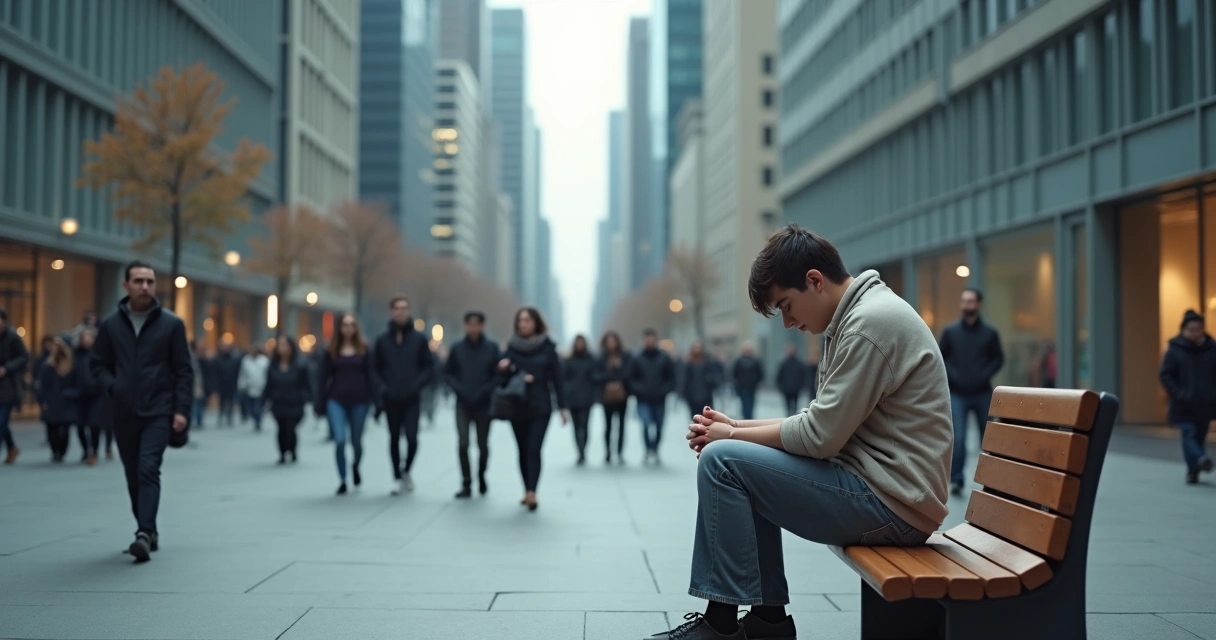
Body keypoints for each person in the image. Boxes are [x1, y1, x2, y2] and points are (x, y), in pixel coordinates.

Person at [647, 225, 951, 640]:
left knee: (724, 463)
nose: (788, 322)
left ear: (814, 280)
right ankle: (767, 622)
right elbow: (818, 419)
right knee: (736, 463)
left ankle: (721, 627)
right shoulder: (858, 317)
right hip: (886, 493)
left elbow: (819, 437)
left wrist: (729, 438)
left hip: (892, 507)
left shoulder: (868, 325)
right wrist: (734, 426)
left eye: (787, 306)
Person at [91, 260, 193, 562]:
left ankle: (144, 533)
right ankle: (148, 530)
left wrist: (181, 410)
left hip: (159, 410)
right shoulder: (110, 326)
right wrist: (113, 387)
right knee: (133, 473)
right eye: (138, 281)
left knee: (149, 467)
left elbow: (184, 371)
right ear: (126, 286)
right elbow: (97, 365)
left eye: (149, 281)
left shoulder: (171, 324)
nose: (145, 286)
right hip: (123, 411)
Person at [497, 307, 568, 512]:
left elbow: (557, 378)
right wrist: (503, 369)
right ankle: (526, 488)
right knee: (522, 449)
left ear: (536, 322)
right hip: (516, 405)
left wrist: (563, 407)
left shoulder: (547, 347)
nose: (523, 324)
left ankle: (532, 492)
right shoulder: (511, 347)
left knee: (534, 449)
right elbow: (501, 378)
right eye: (520, 320)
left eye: (527, 320)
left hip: (540, 405)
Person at [938, 287, 1004, 496]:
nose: (967, 305)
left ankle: (994, 481)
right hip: (958, 394)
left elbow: (998, 359)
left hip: (983, 393)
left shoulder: (990, 333)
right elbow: (941, 358)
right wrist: (954, 376)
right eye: (964, 301)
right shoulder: (950, 332)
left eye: (971, 301)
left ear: (979, 304)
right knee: (958, 438)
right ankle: (956, 479)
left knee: (990, 439)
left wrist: (983, 374)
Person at [372, 297, 434, 495]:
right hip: (391, 398)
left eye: (404, 308)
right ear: (391, 311)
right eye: (397, 308)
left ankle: (406, 469)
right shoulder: (382, 340)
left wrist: (417, 386)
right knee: (393, 439)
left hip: (412, 398)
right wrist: (383, 388)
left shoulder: (419, 339)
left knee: (412, 438)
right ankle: (396, 477)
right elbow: (375, 368)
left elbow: (428, 367)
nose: (401, 312)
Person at [443, 311, 501, 498]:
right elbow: (448, 373)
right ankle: (466, 482)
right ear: (465, 325)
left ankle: (482, 474)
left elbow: (498, 375)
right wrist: (459, 389)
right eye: (470, 324)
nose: (473, 328)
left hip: (484, 403)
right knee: (463, 443)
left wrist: (486, 390)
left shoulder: (492, 348)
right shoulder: (457, 348)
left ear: (482, 326)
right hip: (463, 403)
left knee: (483, 445)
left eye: (477, 324)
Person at [316, 312, 375, 495]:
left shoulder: (365, 349)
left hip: (360, 401)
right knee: (340, 440)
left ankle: (355, 466)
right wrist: (319, 402)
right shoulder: (330, 350)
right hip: (336, 400)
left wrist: (376, 400)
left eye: (351, 324)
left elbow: (371, 376)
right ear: (339, 327)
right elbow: (322, 377)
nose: (348, 328)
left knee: (356, 441)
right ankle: (342, 478)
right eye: (344, 324)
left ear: (356, 327)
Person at [1159, 309, 1216, 485]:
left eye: (1198, 329)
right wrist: (1179, 393)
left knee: (1199, 436)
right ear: (1184, 330)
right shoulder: (1175, 349)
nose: (1195, 333)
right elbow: (1165, 375)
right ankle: (1200, 458)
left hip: (1205, 403)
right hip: (1183, 403)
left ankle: (1193, 471)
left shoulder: (1211, 349)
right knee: (1188, 433)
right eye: (1191, 329)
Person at [630, 329, 676, 465]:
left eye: (651, 338)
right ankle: (648, 448)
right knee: (645, 424)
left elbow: (672, 377)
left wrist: (665, 390)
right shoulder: (637, 358)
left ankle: (655, 449)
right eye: (647, 338)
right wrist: (638, 390)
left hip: (660, 399)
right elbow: (631, 378)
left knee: (659, 426)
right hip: (643, 399)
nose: (649, 340)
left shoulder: (664, 357)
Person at [265, 336, 312, 464]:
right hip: (279, 403)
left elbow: (307, 384)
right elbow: (268, 385)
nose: (282, 348)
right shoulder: (273, 366)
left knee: (290, 428)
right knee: (281, 428)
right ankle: (282, 452)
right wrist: (264, 400)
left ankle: (292, 450)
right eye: (280, 345)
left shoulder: (300, 365)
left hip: (295, 403)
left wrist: (311, 399)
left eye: (285, 345)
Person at [73, 329, 111, 465]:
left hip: (97, 395)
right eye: (84, 337)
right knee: (80, 426)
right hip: (81, 395)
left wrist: (101, 385)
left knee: (95, 425)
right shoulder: (76, 355)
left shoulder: (100, 354)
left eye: (89, 337)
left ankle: (94, 452)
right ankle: (85, 450)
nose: (86, 340)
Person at [39, 337, 78, 463]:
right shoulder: (47, 365)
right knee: (51, 428)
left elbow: (76, 384)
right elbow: (42, 385)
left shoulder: (71, 365)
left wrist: (71, 394)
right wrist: (42, 400)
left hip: (66, 400)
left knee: (64, 428)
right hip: (51, 400)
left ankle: (61, 451)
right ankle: (55, 451)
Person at [595, 331, 631, 465]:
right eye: (608, 341)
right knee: (608, 426)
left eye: (613, 341)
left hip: (622, 396)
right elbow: (595, 375)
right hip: (607, 397)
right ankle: (608, 452)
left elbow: (629, 372)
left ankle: (620, 452)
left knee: (621, 425)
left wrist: (619, 371)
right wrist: (608, 376)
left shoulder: (624, 356)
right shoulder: (601, 358)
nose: (611, 344)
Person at [679, 342, 721, 452]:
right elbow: (684, 379)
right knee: (695, 417)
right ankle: (698, 436)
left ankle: (705, 436)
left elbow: (714, 376)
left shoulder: (707, 362)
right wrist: (683, 393)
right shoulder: (688, 363)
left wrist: (712, 383)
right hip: (692, 395)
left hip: (705, 395)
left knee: (706, 417)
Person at [563, 335, 598, 466]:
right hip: (573, 398)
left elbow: (596, 376)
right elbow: (563, 378)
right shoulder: (569, 360)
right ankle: (579, 450)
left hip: (586, 397)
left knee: (584, 425)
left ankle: (583, 450)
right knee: (576, 426)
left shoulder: (591, 359)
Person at [0, 309, 29, 465]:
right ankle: (11, 447)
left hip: (8, 387)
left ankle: (10, 448)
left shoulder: (12, 337)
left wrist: (7, 368)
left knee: (1, 422)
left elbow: (24, 356)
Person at [237, 343, 270, 432]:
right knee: (251, 407)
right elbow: (242, 373)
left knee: (257, 407)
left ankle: (258, 421)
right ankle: (255, 418)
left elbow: (268, 374)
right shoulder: (246, 360)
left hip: (261, 387)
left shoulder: (264, 361)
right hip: (249, 387)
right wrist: (241, 385)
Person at [731, 342, 764, 420]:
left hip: (752, 387)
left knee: (751, 404)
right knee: (744, 403)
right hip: (742, 387)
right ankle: (745, 417)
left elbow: (760, 373)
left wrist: (756, 382)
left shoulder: (755, 360)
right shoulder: (739, 361)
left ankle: (749, 417)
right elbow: (734, 373)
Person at [213, 342, 242, 427]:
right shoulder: (218, 360)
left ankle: (229, 417)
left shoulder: (234, 360)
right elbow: (215, 373)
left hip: (231, 384)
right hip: (221, 384)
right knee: (221, 402)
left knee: (230, 401)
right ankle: (221, 416)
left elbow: (237, 373)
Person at [776, 344, 807, 417]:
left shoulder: (799, 363)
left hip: (796, 388)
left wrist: (801, 386)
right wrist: (781, 386)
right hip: (787, 388)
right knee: (787, 405)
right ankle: (789, 417)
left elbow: (803, 375)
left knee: (795, 404)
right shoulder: (784, 363)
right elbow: (779, 376)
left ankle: (793, 416)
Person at [190, 340, 207, 429]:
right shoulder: (192, 357)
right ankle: (195, 420)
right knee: (195, 403)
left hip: (198, 384)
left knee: (198, 403)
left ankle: (198, 419)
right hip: (194, 384)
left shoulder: (199, 357)